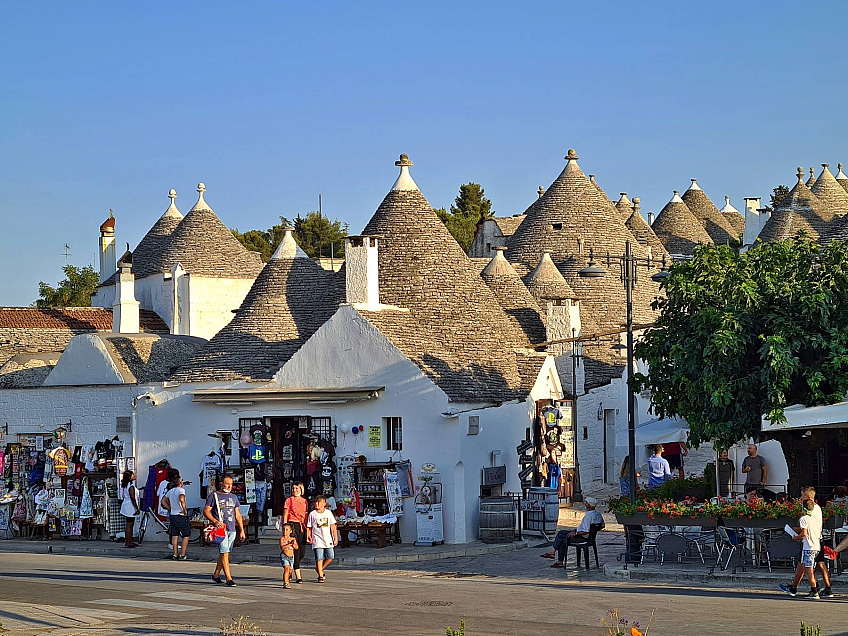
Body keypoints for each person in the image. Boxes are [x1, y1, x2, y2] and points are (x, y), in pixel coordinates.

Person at [203, 474, 246, 587]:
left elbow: (238, 515)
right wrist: (215, 521)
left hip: (232, 529)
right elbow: (206, 511)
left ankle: (216, 575)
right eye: (227, 483)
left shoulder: (234, 497)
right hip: (221, 530)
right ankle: (229, 578)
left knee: (225, 553)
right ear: (221, 484)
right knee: (224, 553)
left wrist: (241, 530)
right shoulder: (214, 496)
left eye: (231, 484)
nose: (229, 486)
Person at [541, 497, 604, 567]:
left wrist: (576, 534)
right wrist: (593, 531)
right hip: (589, 537)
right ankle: (553, 553)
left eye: (586, 503)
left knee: (562, 537)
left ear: (589, 505)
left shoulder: (588, 516)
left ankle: (556, 557)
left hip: (582, 537)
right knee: (562, 533)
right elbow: (602, 526)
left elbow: (585, 531)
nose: (585, 504)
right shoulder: (598, 514)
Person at [780, 498, 822, 599]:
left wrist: (795, 537)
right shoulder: (815, 520)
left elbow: (804, 534)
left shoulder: (803, 519)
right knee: (808, 567)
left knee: (809, 570)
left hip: (808, 547)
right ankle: (812, 588)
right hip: (816, 546)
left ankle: (814, 591)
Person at [800, 486, 834, 599]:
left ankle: (814, 589)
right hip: (819, 538)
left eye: (803, 496)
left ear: (809, 498)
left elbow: (807, 527)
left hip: (811, 541)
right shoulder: (818, 508)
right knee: (821, 563)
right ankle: (828, 588)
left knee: (809, 567)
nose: (801, 498)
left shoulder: (808, 511)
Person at [306, 495, 338, 583]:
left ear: (324, 503)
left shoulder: (328, 513)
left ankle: (319, 569)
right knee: (319, 557)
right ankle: (320, 575)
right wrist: (308, 536)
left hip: (327, 538)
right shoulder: (312, 514)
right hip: (317, 539)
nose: (317, 504)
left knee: (330, 556)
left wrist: (335, 538)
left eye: (319, 502)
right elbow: (309, 527)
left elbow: (333, 526)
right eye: (315, 502)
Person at [282, 482, 308, 584]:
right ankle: (298, 575)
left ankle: (292, 566)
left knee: (302, 551)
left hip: (301, 526)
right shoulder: (289, 500)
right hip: (292, 524)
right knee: (295, 549)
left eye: (297, 488)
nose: (295, 490)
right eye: (293, 488)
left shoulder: (304, 501)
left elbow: (305, 516)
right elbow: (285, 515)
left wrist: (307, 529)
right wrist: (285, 529)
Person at [162, 473, 190, 561]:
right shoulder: (181, 490)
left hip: (173, 514)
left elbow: (163, 501)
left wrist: (170, 508)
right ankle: (182, 554)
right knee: (186, 534)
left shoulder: (170, 491)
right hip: (180, 514)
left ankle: (175, 553)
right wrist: (184, 509)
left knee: (175, 534)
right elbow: (182, 499)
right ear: (180, 482)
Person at [119, 470, 140, 548]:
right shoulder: (130, 486)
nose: (134, 476)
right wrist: (137, 508)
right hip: (130, 507)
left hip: (126, 505)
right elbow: (132, 497)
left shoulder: (126, 485)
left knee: (129, 524)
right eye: (133, 475)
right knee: (129, 525)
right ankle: (128, 542)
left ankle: (129, 541)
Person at [279, 522, 299, 589]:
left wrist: (293, 544)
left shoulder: (293, 539)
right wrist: (289, 544)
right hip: (285, 556)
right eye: (283, 529)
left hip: (291, 557)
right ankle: (286, 583)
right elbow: (282, 547)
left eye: (287, 530)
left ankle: (288, 577)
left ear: (290, 531)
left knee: (290, 571)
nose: (285, 531)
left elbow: (296, 547)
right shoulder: (282, 539)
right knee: (286, 569)